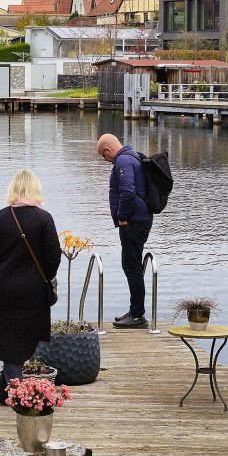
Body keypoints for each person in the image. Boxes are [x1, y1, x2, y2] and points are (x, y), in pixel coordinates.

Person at [0, 168, 61, 405]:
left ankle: (7, 381)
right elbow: (53, 256)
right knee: (31, 331)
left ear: (13, 189)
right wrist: (45, 277)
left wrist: (4, 267)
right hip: (33, 289)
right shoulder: (44, 218)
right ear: (35, 189)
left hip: (3, 288)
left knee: (8, 333)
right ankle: (16, 392)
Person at [96, 133, 153, 329]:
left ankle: (137, 315)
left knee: (132, 266)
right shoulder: (131, 157)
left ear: (108, 150)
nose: (105, 159)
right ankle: (135, 311)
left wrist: (121, 216)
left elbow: (127, 191)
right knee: (132, 265)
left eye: (103, 155)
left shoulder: (123, 161)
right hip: (139, 219)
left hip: (133, 222)